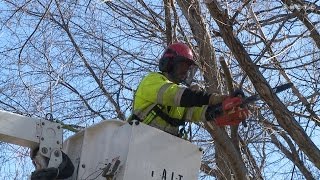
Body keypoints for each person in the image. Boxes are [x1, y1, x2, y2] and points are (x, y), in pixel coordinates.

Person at [129, 42, 248, 137]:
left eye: (188, 70)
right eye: (182, 67)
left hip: (158, 153)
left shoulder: (178, 104)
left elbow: (197, 111)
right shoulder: (152, 81)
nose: (185, 73)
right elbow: (176, 94)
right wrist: (213, 98)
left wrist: (221, 108)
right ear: (168, 63)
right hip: (135, 140)